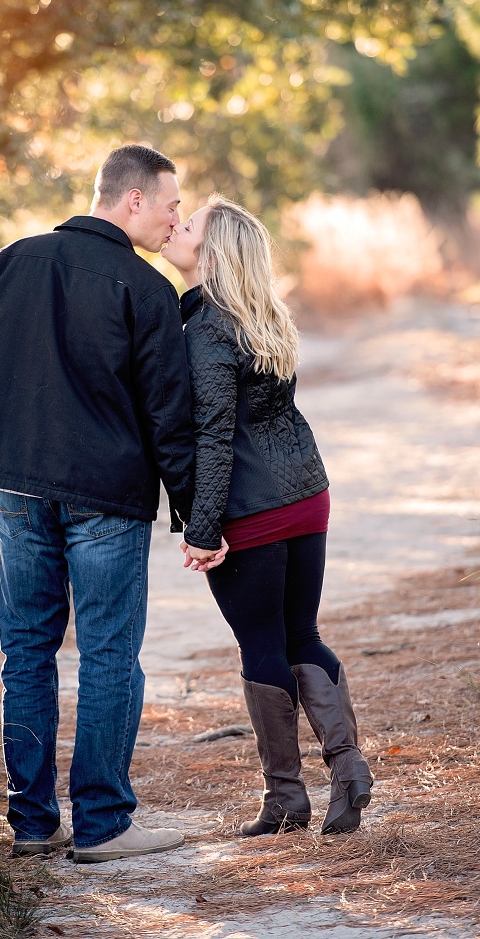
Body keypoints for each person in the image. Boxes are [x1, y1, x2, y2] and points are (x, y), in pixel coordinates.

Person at [0, 145, 216, 863]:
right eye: (171, 203)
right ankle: (102, 827)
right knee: (107, 656)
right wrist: (198, 515)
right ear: (132, 200)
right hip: (105, 500)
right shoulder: (148, 289)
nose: (176, 218)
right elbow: (170, 417)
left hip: (20, 492)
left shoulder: (10, 260)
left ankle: (33, 824)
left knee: (27, 655)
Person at [161, 196, 373, 837]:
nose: (176, 227)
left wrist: (201, 532)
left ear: (212, 253)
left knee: (262, 644)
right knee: (300, 633)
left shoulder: (207, 330)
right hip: (307, 496)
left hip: (253, 510)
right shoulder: (264, 320)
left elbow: (215, 437)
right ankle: (349, 769)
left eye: (188, 225)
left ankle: (285, 801)